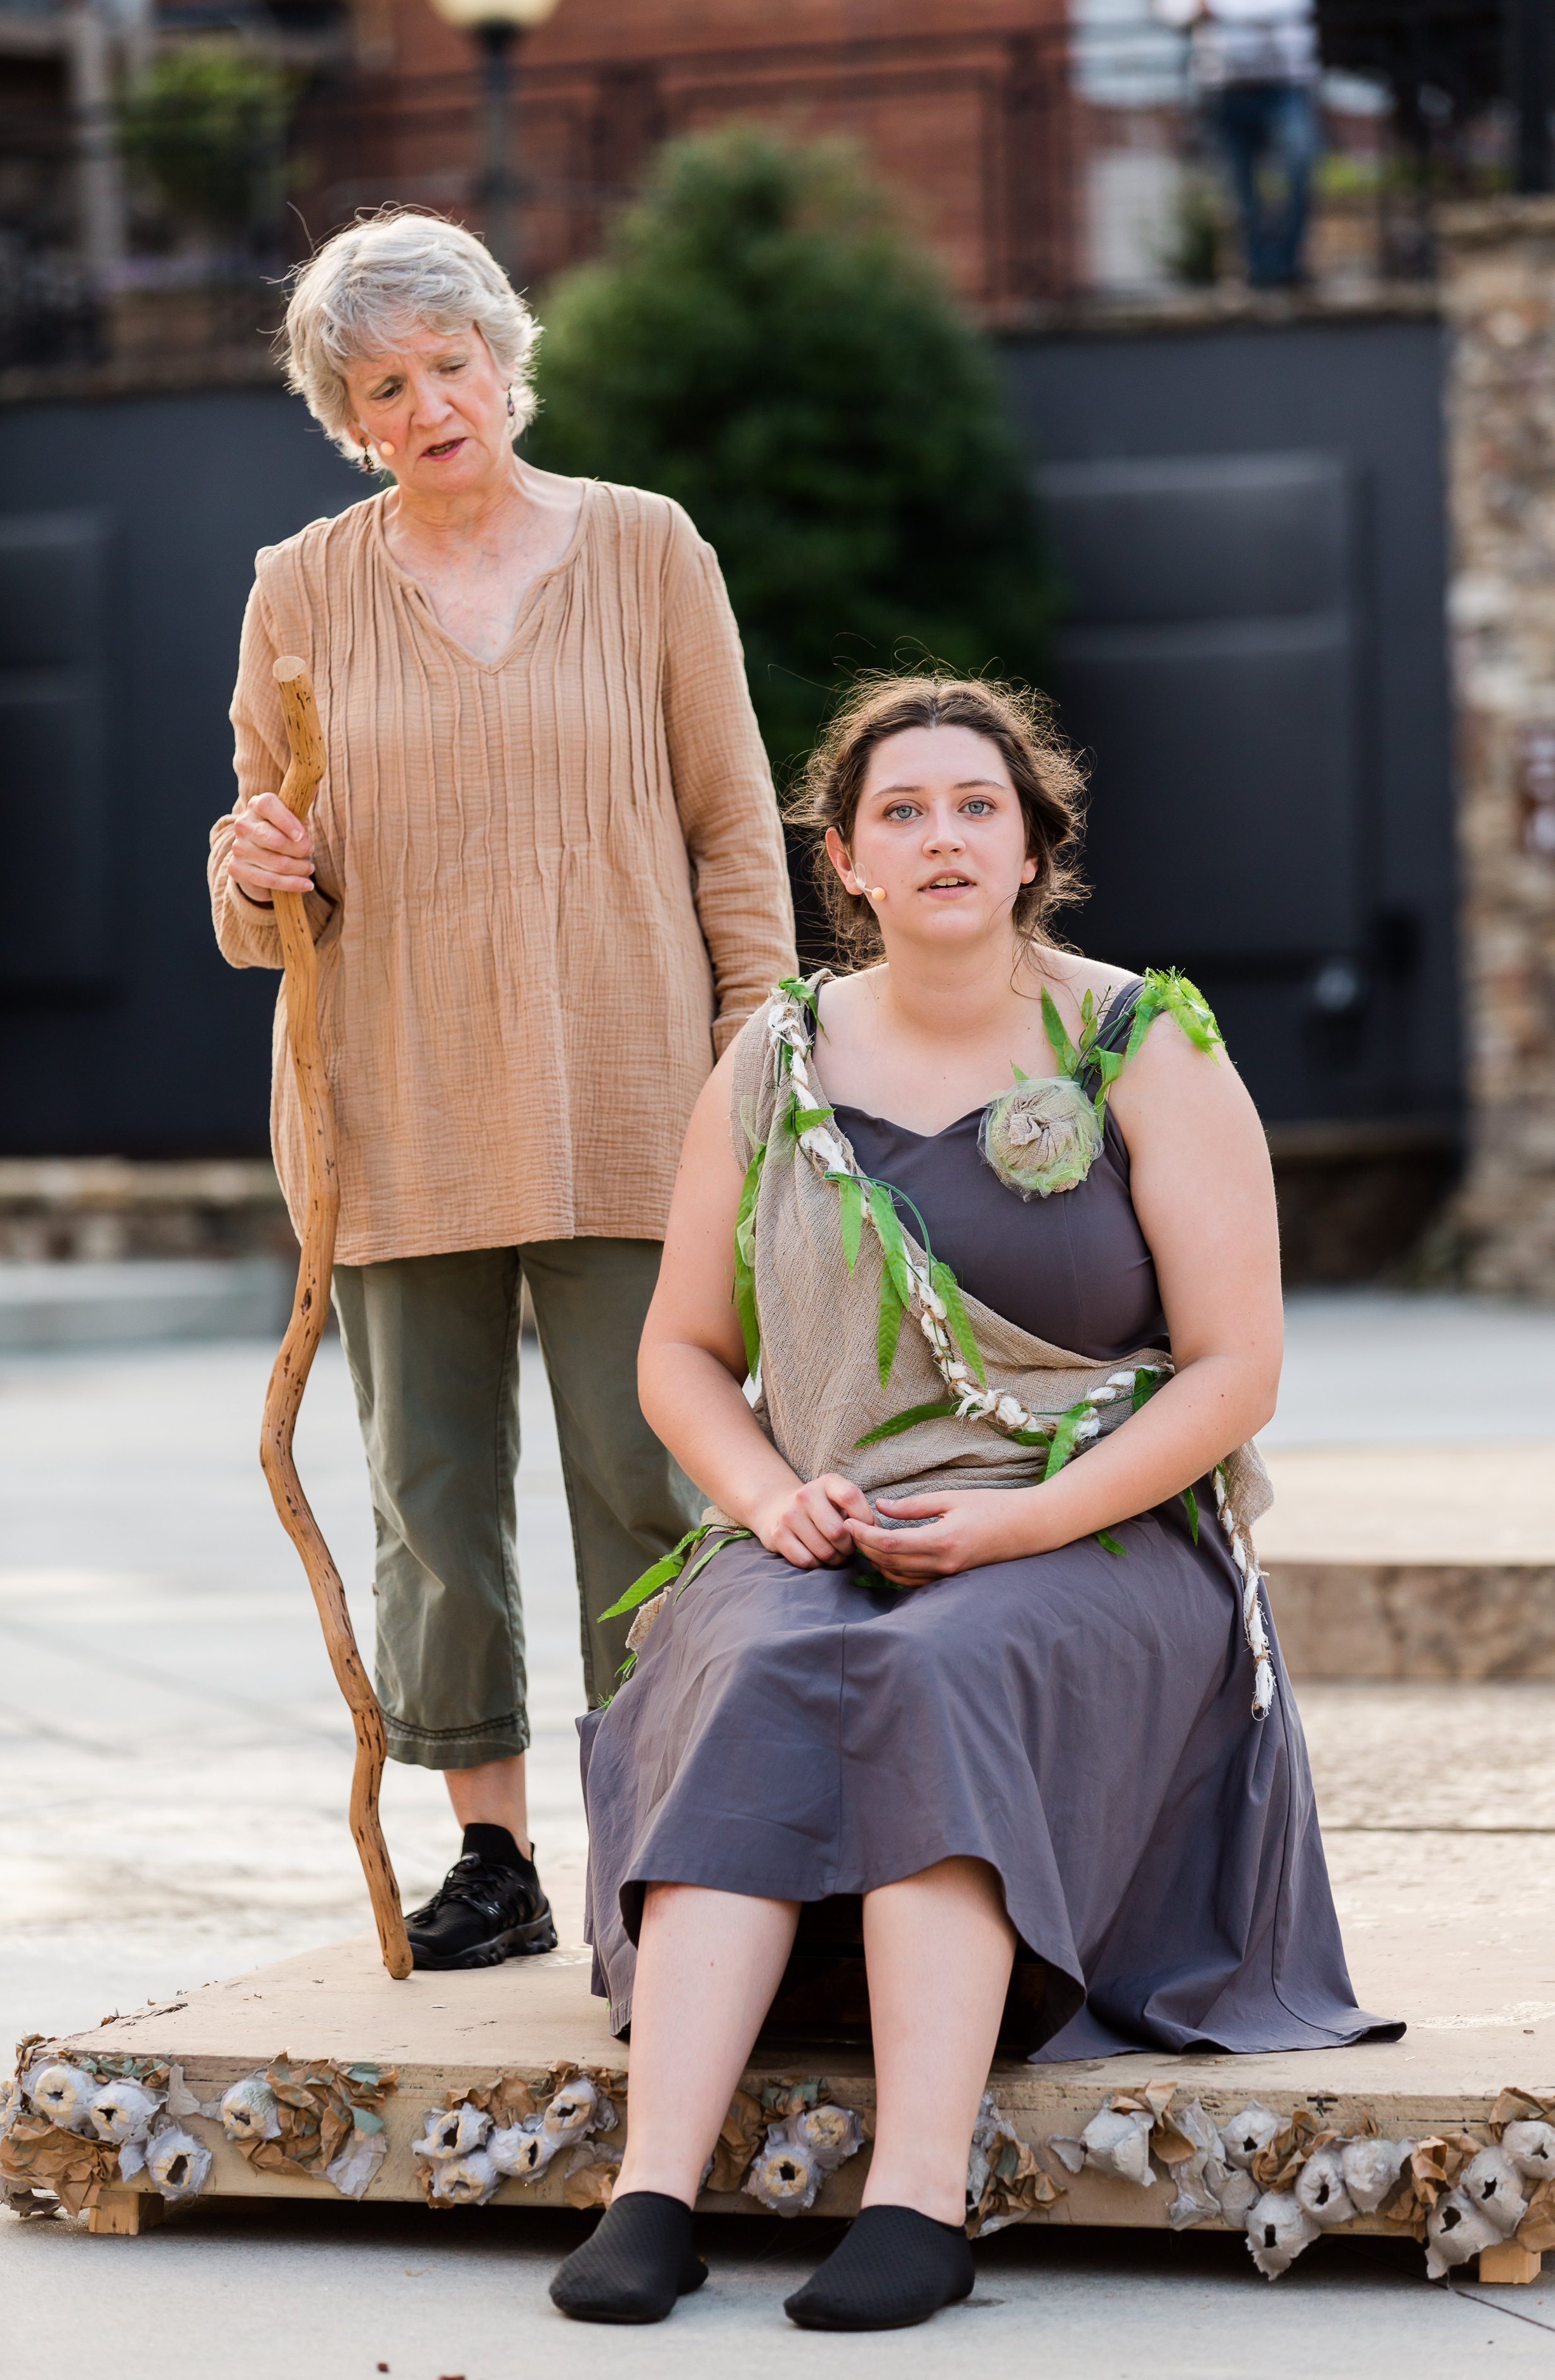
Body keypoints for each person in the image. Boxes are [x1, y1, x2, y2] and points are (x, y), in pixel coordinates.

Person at [550, 675, 1397, 2330]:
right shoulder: (771, 1051)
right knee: (756, 1646)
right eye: (902, 811)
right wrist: (768, 1494)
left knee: (942, 1662)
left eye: (976, 805)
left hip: (1094, 1529)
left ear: (1031, 847)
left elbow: (1234, 1370)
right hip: (834, 1514)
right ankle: (650, 2186)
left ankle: (918, 2197)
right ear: (845, 858)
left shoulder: (1138, 1040)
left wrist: (1015, 1523)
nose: (942, 834)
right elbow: (679, 1351)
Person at [208, 209, 795, 1973]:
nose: (428, 402)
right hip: (391, 1110)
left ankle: (661, 1838)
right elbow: (259, 907)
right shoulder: (300, 588)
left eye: (449, 364)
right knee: (429, 1502)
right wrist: (254, 861)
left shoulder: (647, 550)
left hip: (632, 1102)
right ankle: (493, 1852)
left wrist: (753, 1054)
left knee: (644, 1482)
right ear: (351, 414)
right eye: (384, 384)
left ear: (499, 360)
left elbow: (729, 823)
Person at [1156, 0, 1321, 288]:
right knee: (1239, 187)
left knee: (1299, 166)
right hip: (1225, 88)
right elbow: (1171, 10)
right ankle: (1261, 270)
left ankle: (1288, 265)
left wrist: (1219, 12)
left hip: (1287, 82)